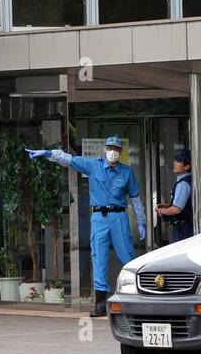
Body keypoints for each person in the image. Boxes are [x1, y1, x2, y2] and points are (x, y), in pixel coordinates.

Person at [26, 135, 145, 317]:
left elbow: (135, 200)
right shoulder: (93, 165)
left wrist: (141, 222)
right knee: (99, 258)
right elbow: (68, 159)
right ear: (105, 149)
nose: (112, 152)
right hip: (99, 217)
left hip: (119, 217)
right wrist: (47, 153)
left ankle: (136, 297)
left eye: (116, 149)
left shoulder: (127, 172)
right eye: (110, 148)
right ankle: (100, 304)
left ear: (120, 152)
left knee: (127, 257)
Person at [155, 149, 194, 242]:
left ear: (187, 166)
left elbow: (176, 209)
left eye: (179, 161)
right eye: (175, 161)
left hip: (184, 229)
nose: (174, 164)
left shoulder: (183, 184)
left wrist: (161, 211)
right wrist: (169, 205)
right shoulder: (187, 180)